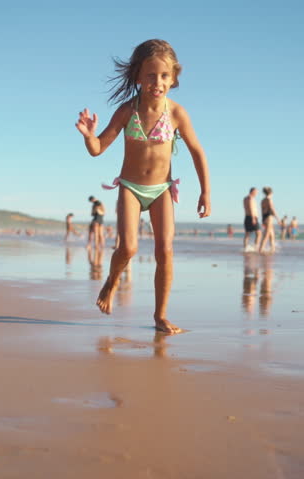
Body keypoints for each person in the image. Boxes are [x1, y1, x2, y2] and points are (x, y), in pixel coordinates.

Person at [76, 39, 211, 334]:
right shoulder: (127, 111)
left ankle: (160, 316)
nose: (157, 82)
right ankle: (111, 283)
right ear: (138, 76)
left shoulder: (176, 113)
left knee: (165, 250)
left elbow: (197, 152)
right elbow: (98, 148)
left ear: (174, 78)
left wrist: (205, 192)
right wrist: (89, 135)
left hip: (162, 189)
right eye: (150, 75)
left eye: (164, 76)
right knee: (129, 247)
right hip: (131, 188)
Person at [257, 187, 277, 253]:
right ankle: (260, 249)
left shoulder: (263, 200)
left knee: (272, 235)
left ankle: (272, 249)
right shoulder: (269, 200)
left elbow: (262, 211)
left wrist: (263, 219)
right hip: (269, 217)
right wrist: (277, 218)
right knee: (267, 234)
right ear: (271, 192)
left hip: (264, 217)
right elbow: (272, 209)